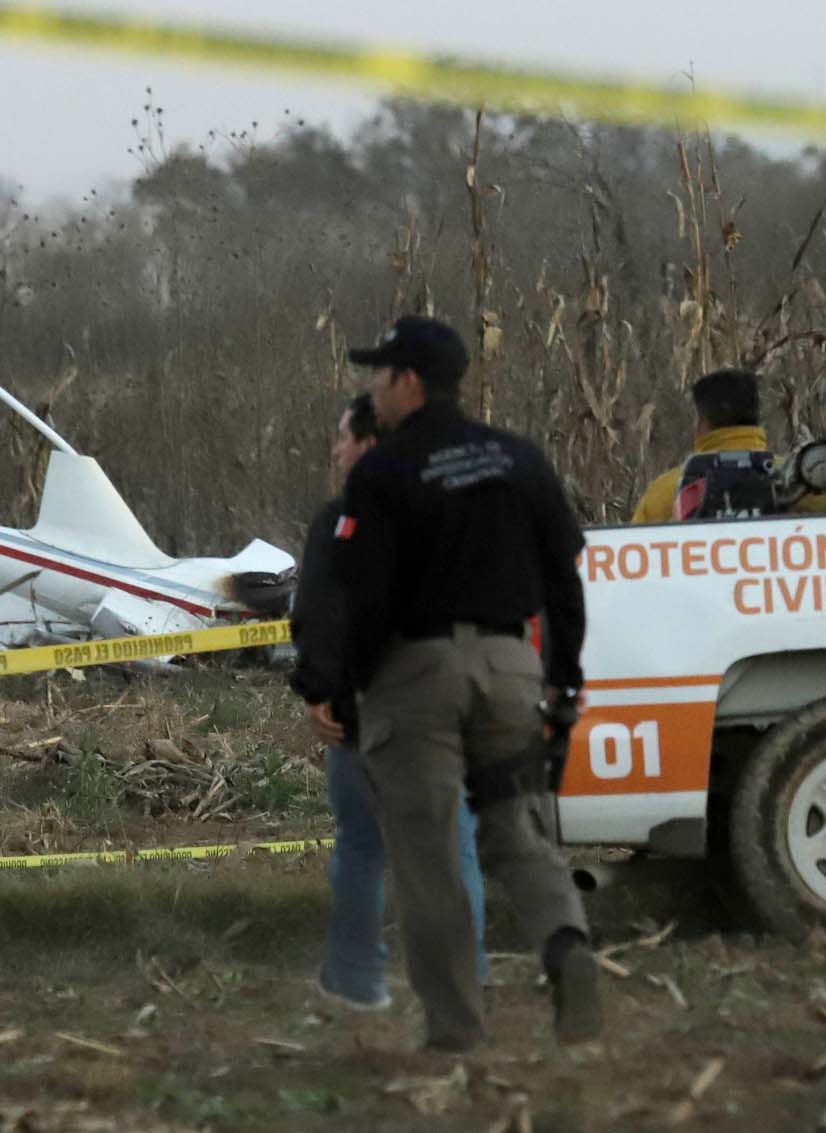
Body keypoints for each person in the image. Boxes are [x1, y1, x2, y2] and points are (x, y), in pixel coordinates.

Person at [335, 315, 601, 1052]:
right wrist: (564, 681)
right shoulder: (520, 458)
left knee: (430, 862)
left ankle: (458, 1030)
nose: (373, 389)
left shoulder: (382, 472)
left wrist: (356, 687)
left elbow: (365, 598)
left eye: (380, 374)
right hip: (511, 667)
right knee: (518, 828)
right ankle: (566, 945)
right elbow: (563, 583)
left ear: (409, 382)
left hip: (417, 676)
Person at [291, 392, 489, 1011]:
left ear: (371, 444)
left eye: (343, 437)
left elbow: (321, 610)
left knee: (361, 848)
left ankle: (355, 981)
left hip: (367, 716)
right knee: (452, 849)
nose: (335, 449)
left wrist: (320, 690)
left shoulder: (341, 520)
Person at [631, 368, 826, 523]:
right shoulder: (803, 486)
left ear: (703, 422)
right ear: (756, 419)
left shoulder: (665, 493)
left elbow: (634, 568)